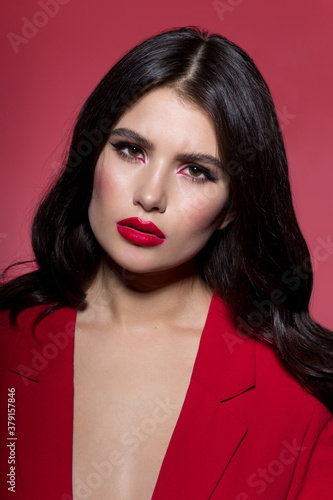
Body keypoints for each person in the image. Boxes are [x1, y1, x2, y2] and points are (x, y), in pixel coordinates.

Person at [0, 26, 332, 500]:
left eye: (196, 171)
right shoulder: (9, 343)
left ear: (233, 208)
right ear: (92, 155)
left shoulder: (300, 400)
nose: (150, 196)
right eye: (131, 150)